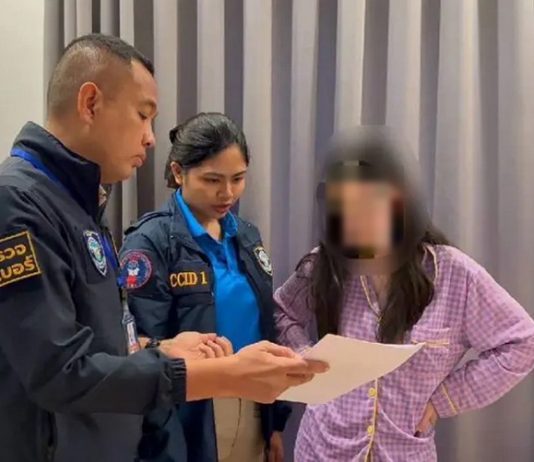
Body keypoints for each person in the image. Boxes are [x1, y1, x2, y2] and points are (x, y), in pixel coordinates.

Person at [0, 34, 327, 462]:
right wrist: (219, 374)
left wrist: (160, 348)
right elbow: (60, 370)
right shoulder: (18, 204)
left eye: (238, 178)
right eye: (142, 115)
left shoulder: (80, 204)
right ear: (90, 103)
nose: (151, 138)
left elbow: (100, 341)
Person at [273, 127, 534, 462]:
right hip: (322, 449)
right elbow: (281, 311)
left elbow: (522, 342)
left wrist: (445, 400)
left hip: (404, 451)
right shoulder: (325, 264)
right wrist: (302, 355)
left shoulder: (453, 274)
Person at [119, 112, 290, 462]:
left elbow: (265, 325)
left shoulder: (246, 235)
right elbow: (138, 348)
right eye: (212, 180)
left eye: (238, 179)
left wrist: (273, 422)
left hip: (253, 401)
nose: (227, 193)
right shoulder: (150, 242)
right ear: (179, 172)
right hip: (189, 409)